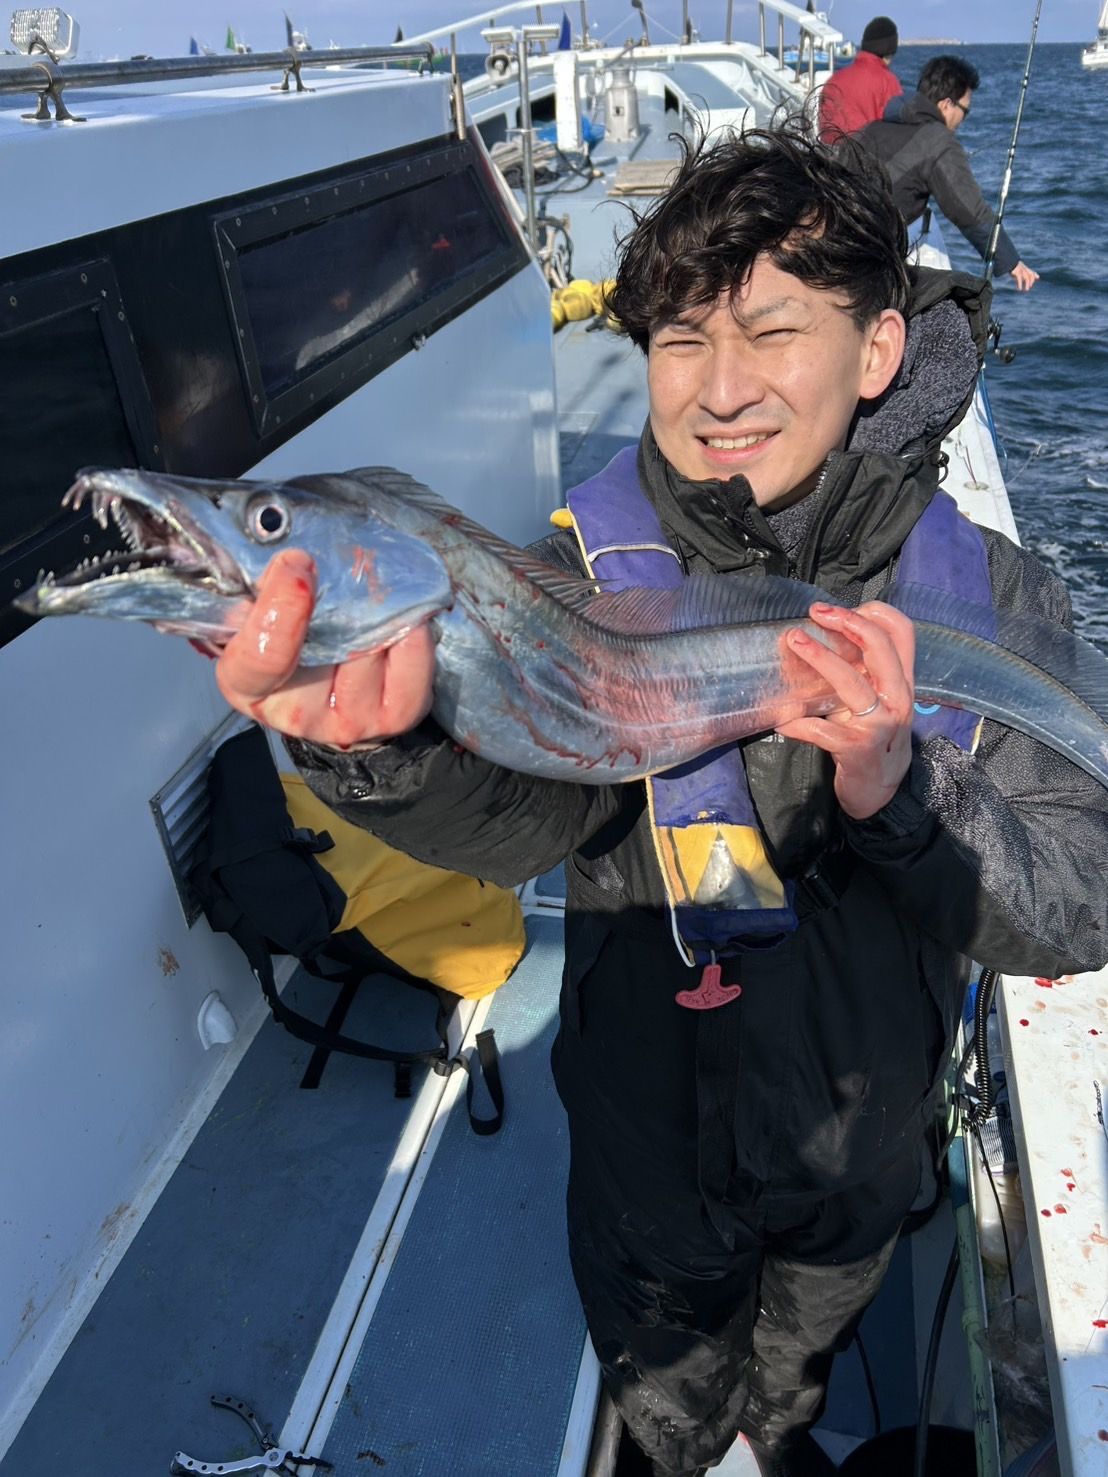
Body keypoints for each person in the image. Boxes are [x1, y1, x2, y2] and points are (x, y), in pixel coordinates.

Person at [208, 128, 1107, 1476]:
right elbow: (531, 814)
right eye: (683, 341)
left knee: (795, 1372)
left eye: (772, 331)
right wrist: (383, 755)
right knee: (669, 1396)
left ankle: (771, 1427)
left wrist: (903, 792)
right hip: (647, 1144)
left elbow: (1081, 899)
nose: (720, 388)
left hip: (863, 1146)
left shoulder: (994, 596)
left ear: (877, 350)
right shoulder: (578, 575)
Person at [858, 54, 1039, 291]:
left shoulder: (870, 129)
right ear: (946, 104)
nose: (963, 118)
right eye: (965, 110)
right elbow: (968, 209)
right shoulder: (938, 140)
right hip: (877, 258)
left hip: (849, 242)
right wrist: (1010, 261)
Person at [817, 15, 902, 142]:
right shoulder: (889, 82)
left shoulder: (834, 80)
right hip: (867, 151)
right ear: (890, 49)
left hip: (829, 150)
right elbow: (897, 128)